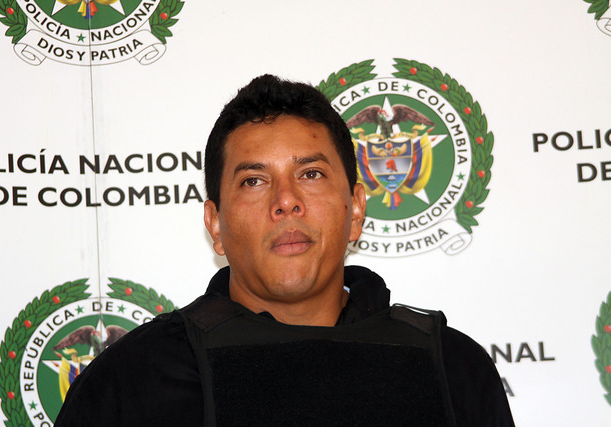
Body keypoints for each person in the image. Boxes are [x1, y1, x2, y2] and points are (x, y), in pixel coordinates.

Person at [55, 75, 514, 426]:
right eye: (254, 181)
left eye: (310, 174)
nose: (286, 201)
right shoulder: (133, 380)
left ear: (356, 209)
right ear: (215, 225)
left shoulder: (454, 369)